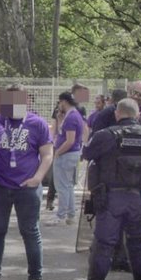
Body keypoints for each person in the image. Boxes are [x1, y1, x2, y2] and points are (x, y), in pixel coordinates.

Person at [75, 99, 141, 280]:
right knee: (137, 246)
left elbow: (86, 154)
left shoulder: (107, 135)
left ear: (117, 113)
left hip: (111, 198)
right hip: (139, 199)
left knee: (103, 246)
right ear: (138, 114)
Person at [0, 86, 53, 280]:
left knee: (30, 231)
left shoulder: (37, 124)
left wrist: (38, 178)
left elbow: (47, 154)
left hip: (26, 187)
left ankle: (36, 279)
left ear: (27, 101)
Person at [45, 91, 85, 226]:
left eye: (59, 102)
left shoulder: (71, 117)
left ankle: (60, 215)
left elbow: (70, 140)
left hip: (65, 154)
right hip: (71, 154)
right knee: (67, 186)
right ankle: (70, 214)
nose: (59, 105)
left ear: (64, 102)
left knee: (61, 186)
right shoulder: (73, 115)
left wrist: (57, 152)